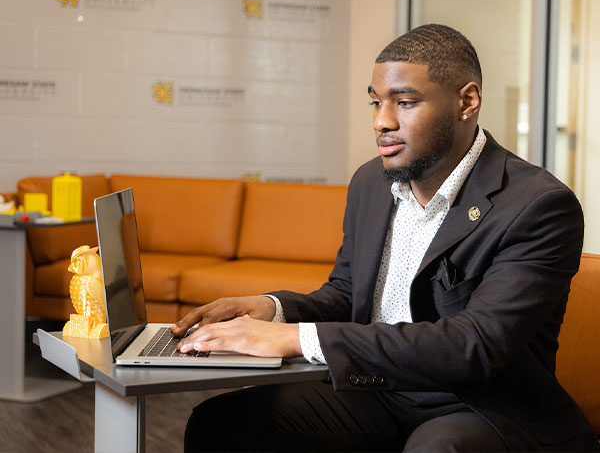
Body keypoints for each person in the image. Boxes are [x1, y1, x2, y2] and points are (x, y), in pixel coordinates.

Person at [172, 24, 599, 452]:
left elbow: (475, 345)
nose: (381, 121)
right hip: (379, 388)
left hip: (478, 405)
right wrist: (274, 309)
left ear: (466, 102)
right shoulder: (369, 183)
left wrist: (296, 339)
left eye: (405, 102)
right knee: (222, 422)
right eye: (376, 102)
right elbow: (347, 294)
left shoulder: (538, 206)